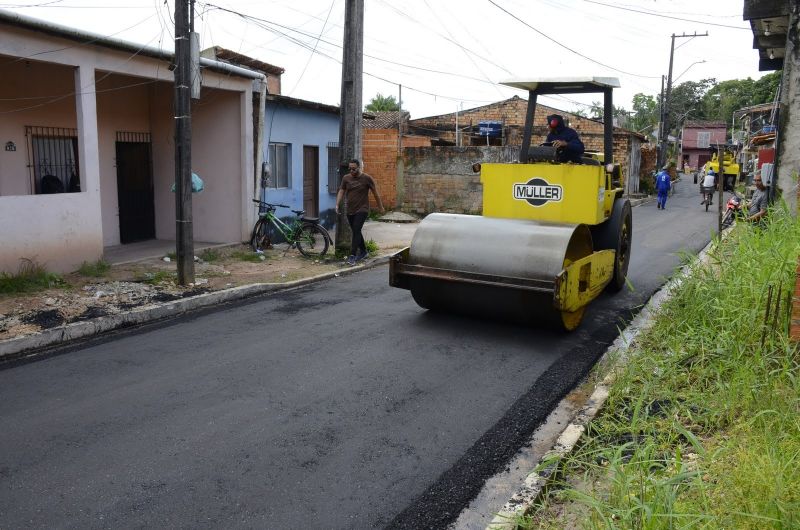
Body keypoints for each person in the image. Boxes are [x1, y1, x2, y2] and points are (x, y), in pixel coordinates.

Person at [335, 159, 385, 265]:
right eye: (349, 169)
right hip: (350, 209)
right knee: (356, 231)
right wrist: (337, 204)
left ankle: (352, 255)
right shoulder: (346, 178)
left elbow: (375, 193)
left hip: (362, 209)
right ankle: (363, 251)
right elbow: (341, 190)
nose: (351, 171)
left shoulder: (367, 178)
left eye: (353, 169)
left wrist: (380, 207)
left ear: (359, 168)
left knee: (357, 229)